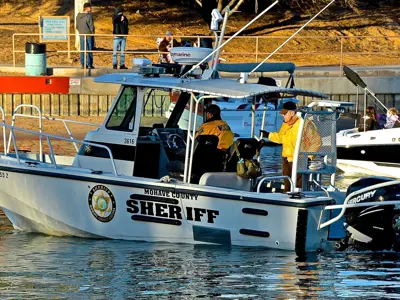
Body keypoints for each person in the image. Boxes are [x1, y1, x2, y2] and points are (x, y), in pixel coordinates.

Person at [260, 101, 321, 192]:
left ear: (292, 113)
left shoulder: (304, 123)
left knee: (298, 186)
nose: (283, 116)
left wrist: (309, 157)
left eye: (285, 113)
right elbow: (281, 138)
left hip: (300, 159)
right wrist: (268, 135)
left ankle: (298, 199)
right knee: (287, 186)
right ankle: (285, 201)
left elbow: (316, 141)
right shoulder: (286, 124)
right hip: (286, 160)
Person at [76, 3, 95, 69]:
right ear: (87, 8)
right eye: (90, 7)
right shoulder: (88, 16)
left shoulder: (78, 16)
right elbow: (91, 26)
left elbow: (77, 26)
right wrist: (92, 33)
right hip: (88, 34)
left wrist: (80, 32)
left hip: (81, 35)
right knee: (89, 49)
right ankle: (90, 64)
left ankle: (83, 64)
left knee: (82, 49)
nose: (91, 8)